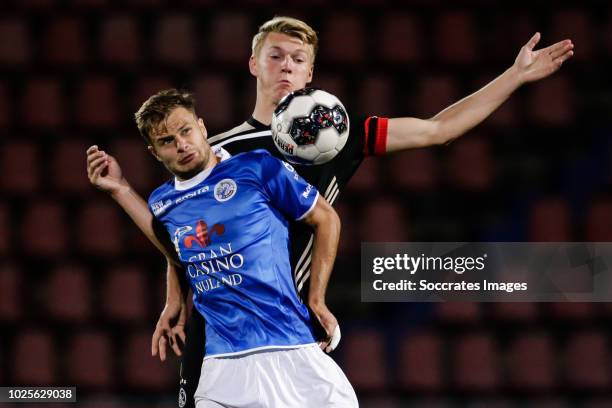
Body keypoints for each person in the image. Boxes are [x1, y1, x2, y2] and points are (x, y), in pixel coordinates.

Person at [86, 16, 574, 408]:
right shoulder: (215, 151)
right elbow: (185, 230)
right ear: (253, 64)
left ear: (310, 74)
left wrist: (515, 76)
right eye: (274, 55)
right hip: (221, 330)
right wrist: (175, 300)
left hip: (294, 321)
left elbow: (437, 130)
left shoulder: (338, 137)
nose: (286, 66)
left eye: (298, 59)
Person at [90, 89, 358, 407]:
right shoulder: (162, 203)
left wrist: (317, 299)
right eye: (167, 141)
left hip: (291, 347)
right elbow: (175, 252)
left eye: (185, 130)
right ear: (154, 152)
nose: (181, 145)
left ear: (202, 127)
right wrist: (120, 190)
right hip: (224, 367)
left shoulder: (257, 167)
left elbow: (326, 218)